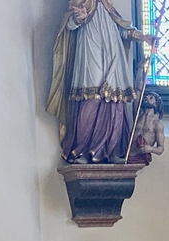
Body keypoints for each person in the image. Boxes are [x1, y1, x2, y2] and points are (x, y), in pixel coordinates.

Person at [46, 0, 155, 164]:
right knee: (91, 99)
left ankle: (111, 151)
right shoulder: (81, 2)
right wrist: (79, 18)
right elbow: (68, 26)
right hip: (91, 52)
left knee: (115, 102)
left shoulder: (108, 7)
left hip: (114, 58)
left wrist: (143, 37)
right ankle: (82, 151)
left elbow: (122, 30)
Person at [127, 92, 165, 165]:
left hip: (139, 156)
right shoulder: (138, 117)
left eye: (150, 98)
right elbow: (137, 92)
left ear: (156, 104)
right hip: (127, 153)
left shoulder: (157, 123)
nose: (146, 98)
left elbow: (161, 148)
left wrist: (151, 149)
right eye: (145, 97)